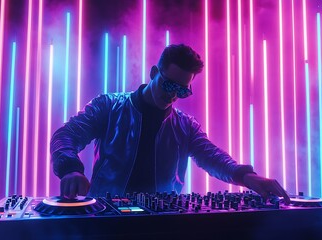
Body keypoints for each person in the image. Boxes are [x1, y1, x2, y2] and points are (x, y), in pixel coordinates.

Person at [51, 44, 290, 204]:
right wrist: (70, 168)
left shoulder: (185, 126)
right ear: (154, 72)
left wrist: (247, 177)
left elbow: (213, 157)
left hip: (162, 221)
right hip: (105, 217)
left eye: (182, 91)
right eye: (168, 85)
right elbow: (65, 135)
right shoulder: (108, 106)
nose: (172, 95)